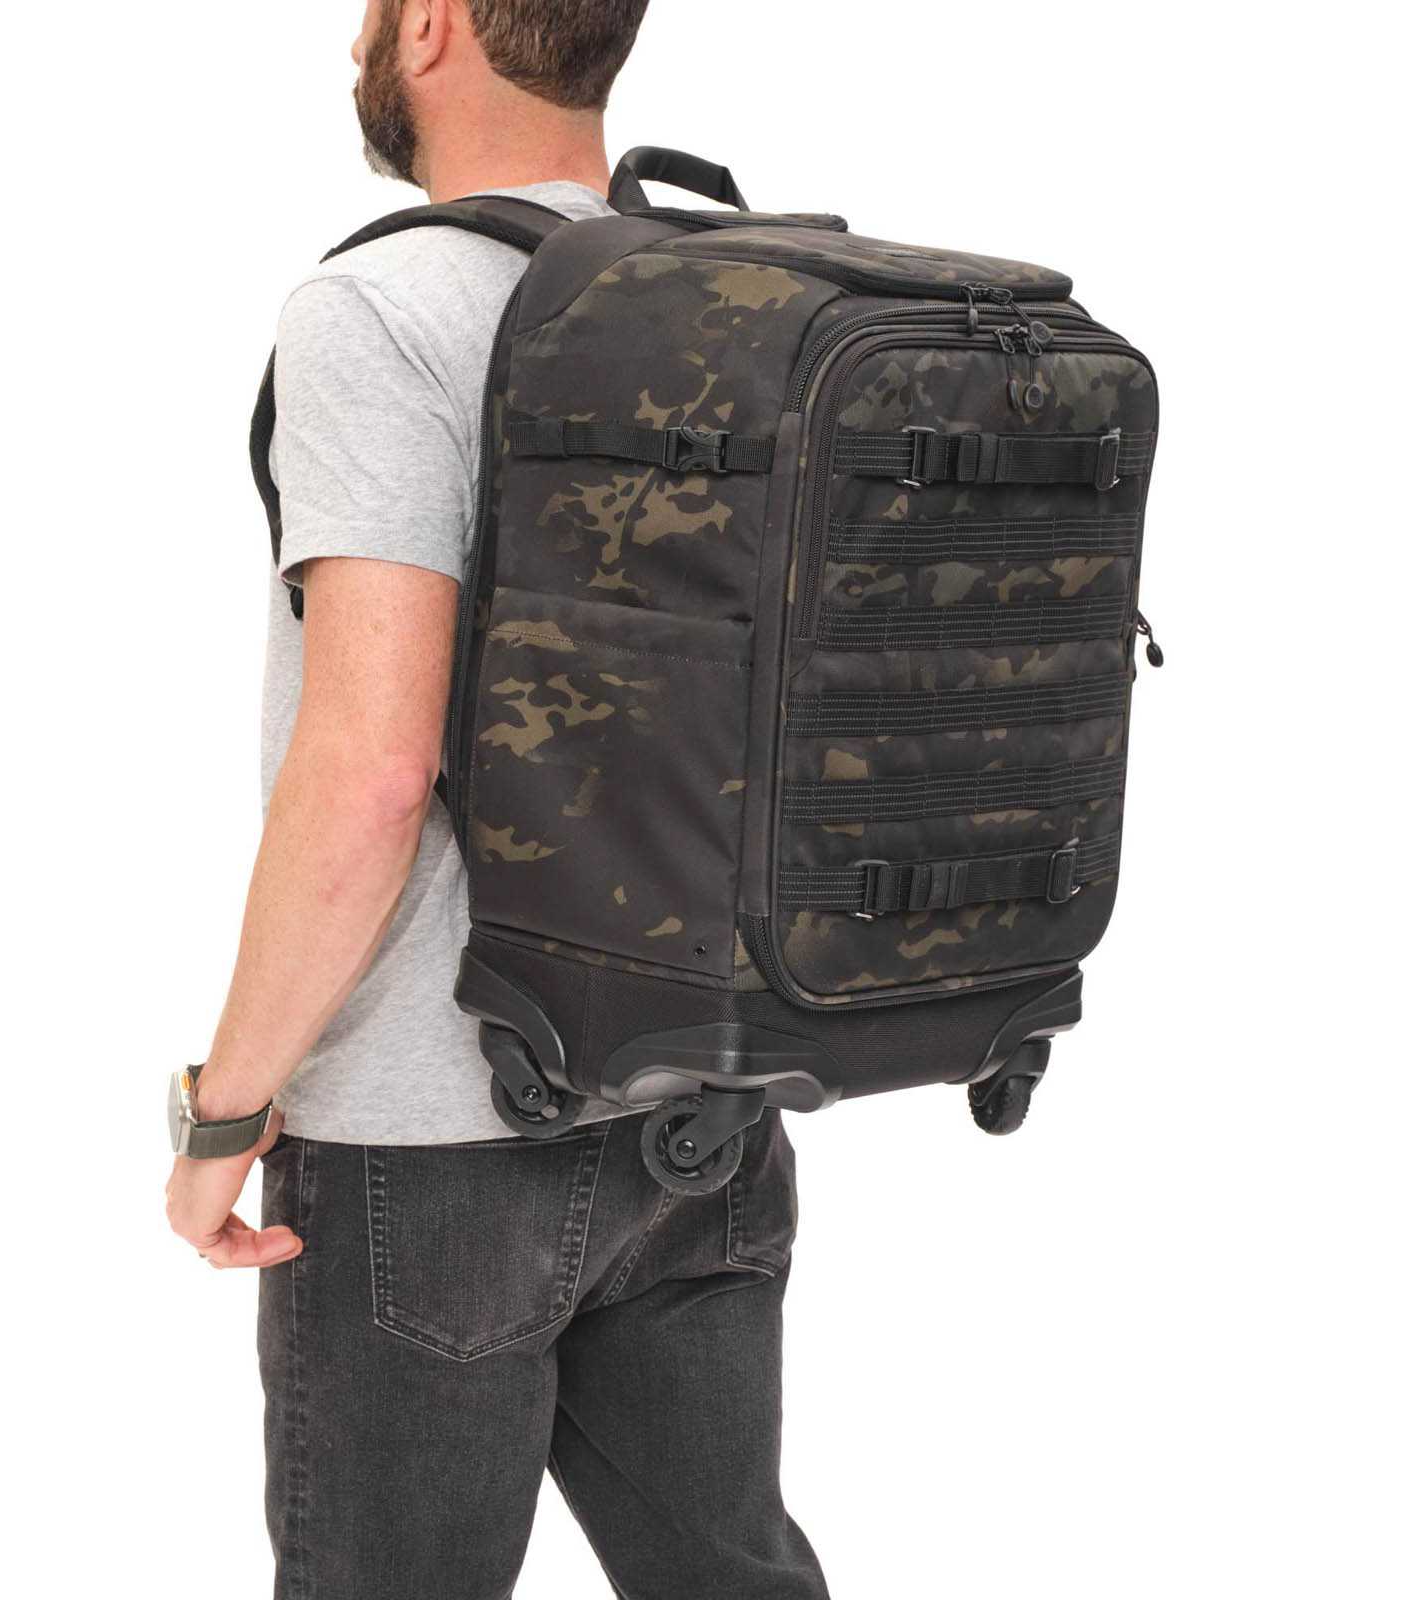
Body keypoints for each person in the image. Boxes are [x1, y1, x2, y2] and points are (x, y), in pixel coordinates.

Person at [164, 4, 828, 1594]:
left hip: (430, 1144)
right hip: (704, 1103)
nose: (356, 39)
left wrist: (224, 1112)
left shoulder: (382, 309)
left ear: (436, 24)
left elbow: (372, 774)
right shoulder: (747, 294)